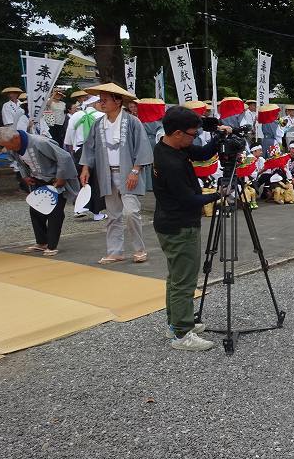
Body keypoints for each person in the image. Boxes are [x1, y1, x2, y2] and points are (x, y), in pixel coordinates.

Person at [152, 106, 228, 351]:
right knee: (184, 280)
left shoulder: (170, 146)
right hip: (179, 225)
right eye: (192, 134)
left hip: (169, 222)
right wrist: (218, 194)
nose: (194, 139)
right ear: (176, 133)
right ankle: (182, 334)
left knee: (175, 278)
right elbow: (188, 199)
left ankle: (175, 324)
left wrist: (219, 138)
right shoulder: (170, 162)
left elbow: (204, 153)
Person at [79, 83, 154, 265]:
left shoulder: (133, 122)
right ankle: (115, 251)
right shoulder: (98, 124)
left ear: (118, 101)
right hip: (107, 173)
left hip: (128, 172)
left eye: (105, 100)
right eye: (101, 100)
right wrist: (86, 168)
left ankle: (139, 249)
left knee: (131, 213)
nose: (101, 104)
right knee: (113, 215)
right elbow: (89, 148)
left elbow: (143, 148)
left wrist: (136, 170)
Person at [0, 125, 79, 256]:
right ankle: (42, 242)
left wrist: (61, 177)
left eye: (6, 145)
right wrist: (25, 176)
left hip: (55, 181)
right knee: (35, 210)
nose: (5, 149)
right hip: (37, 179)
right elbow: (19, 163)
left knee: (54, 213)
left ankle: (52, 245)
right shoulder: (13, 148)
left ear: (16, 138)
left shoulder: (40, 142)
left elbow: (65, 157)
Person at [63, 95, 107, 221]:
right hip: (97, 151)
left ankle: (79, 208)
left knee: (82, 180)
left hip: (79, 150)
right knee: (96, 181)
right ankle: (97, 213)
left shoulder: (76, 116)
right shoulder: (101, 116)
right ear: (96, 104)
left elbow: (69, 138)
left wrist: (74, 151)